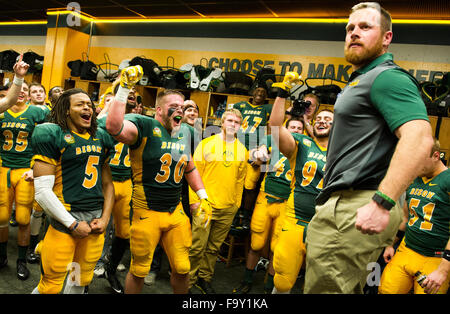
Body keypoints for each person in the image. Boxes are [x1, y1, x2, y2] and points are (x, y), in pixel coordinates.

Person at [303, 2, 434, 294]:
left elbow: (420, 138)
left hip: (356, 201)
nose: (354, 33)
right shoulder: (360, 80)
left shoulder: (386, 77)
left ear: (387, 38)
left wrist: (382, 201)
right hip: (346, 203)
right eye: (350, 28)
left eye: (365, 27)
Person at [105, 65, 212, 294]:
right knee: (139, 269)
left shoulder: (185, 132)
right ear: (159, 110)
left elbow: (188, 165)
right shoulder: (145, 125)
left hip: (176, 212)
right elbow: (113, 126)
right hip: (147, 211)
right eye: (173, 107)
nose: (179, 112)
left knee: (183, 267)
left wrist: (203, 196)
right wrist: (123, 89)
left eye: (182, 107)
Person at [30, 88, 115, 294]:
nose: (87, 107)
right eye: (80, 104)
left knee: (79, 279)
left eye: (89, 104)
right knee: (50, 286)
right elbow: (41, 192)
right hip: (65, 222)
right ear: (66, 110)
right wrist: (72, 223)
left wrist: (105, 219)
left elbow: (107, 184)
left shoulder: (100, 137)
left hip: (94, 223)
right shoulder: (52, 133)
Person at [268, 91, 333, 293]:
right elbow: (275, 127)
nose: (322, 121)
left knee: (318, 284)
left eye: (328, 120)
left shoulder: (344, 152)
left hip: (327, 226)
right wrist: (281, 95)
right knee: (282, 281)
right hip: (295, 219)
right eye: (319, 118)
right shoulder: (302, 144)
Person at [232, 117, 305, 294]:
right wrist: (258, 155)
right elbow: (254, 159)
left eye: (299, 128)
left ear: (303, 132)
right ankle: (247, 280)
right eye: (292, 127)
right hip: (265, 198)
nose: (295, 130)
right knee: (256, 244)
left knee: (277, 249)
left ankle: (268, 287)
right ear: (286, 129)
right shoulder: (275, 141)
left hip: (287, 203)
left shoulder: (305, 149)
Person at [0, 55, 50, 281]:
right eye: (18, 88)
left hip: (24, 169)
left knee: (22, 218)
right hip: (3, 168)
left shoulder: (38, 112)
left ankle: (21, 258)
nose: (21, 92)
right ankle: (2, 256)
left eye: (25, 89)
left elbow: (47, 142)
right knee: (1, 217)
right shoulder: (2, 113)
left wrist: (37, 166)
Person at [188, 108, 248, 294]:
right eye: (229, 120)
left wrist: (236, 204)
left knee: (214, 248)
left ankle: (204, 279)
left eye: (236, 122)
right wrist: (194, 201)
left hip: (227, 208)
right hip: (205, 205)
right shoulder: (206, 144)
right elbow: (193, 174)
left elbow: (240, 181)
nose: (232, 124)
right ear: (222, 123)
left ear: (240, 126)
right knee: (197, 247)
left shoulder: (243, 151)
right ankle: (188, 281)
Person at [379, 139, 450, 294]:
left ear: (436, 156)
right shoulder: (415, 178)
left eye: (419, 161)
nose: (414, 165)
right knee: (386, 290)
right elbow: (406, 217)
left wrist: (443, 270)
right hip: (407, 248)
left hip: (435, 257)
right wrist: (391, 244)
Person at [96, 82, 135, 294]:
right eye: (127, 91)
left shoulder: (139, 122)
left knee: (124, 232)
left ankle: (110, 269)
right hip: (103, 181)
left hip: (127, 182)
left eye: (134, 93)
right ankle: (87, 272)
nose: (131, 94)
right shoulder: (102, 121)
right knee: (96, 227)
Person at [233, 87, 272, 230]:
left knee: (250, 186)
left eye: (263, 92)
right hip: (239, 148)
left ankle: (245, 216)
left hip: (255, 149)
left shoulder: (267, 109)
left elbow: (271, 128)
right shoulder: (241, 106)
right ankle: (235, 212)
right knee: (235, 183)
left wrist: (263, 152)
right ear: (252, 93)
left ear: (266, 96)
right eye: (257, 91)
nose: (260, 94)